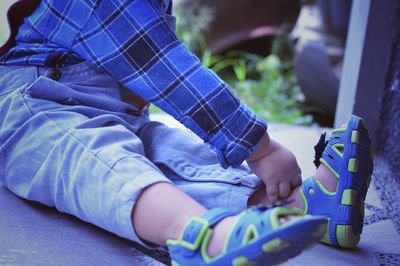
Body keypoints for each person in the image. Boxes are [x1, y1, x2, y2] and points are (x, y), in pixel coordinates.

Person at [0, 0, 372, 265]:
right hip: (37, 110)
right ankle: (200, 238)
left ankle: (303, 207)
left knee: (179, 153)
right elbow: (173, 77)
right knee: (101, 159)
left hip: (112, 112)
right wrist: (260, 148)